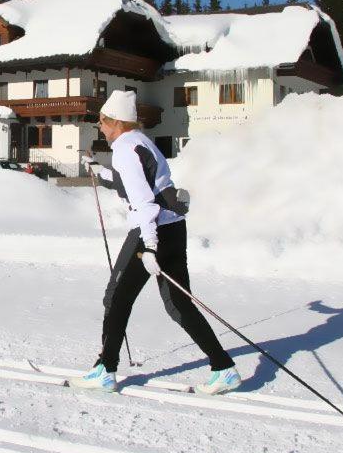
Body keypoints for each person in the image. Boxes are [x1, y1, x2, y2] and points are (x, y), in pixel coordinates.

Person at [69, 90, 240, 395]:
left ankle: (105, 370)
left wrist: (148, 246)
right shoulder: (142, 142)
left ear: (115, 122)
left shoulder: (124, 148)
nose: (102, 130)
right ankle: (224, 368)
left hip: (152, 231)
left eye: (103, 124)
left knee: (116, 298)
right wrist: (99, 170)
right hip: (174, 227)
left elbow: (144, 202)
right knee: (178, 304)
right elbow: (136, 182)